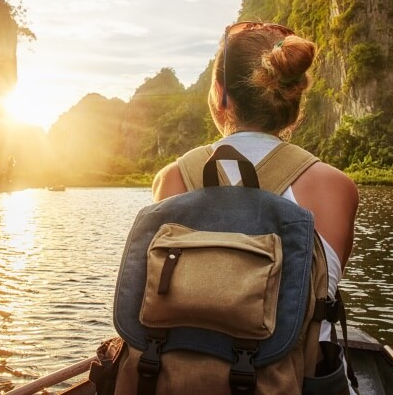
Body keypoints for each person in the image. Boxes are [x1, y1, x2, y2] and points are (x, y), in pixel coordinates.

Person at [152, 21, 358, 358]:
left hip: (185, 380)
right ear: (294, 98)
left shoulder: (173, 179)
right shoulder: (337, 188)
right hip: (295, 381)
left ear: (220, 94)